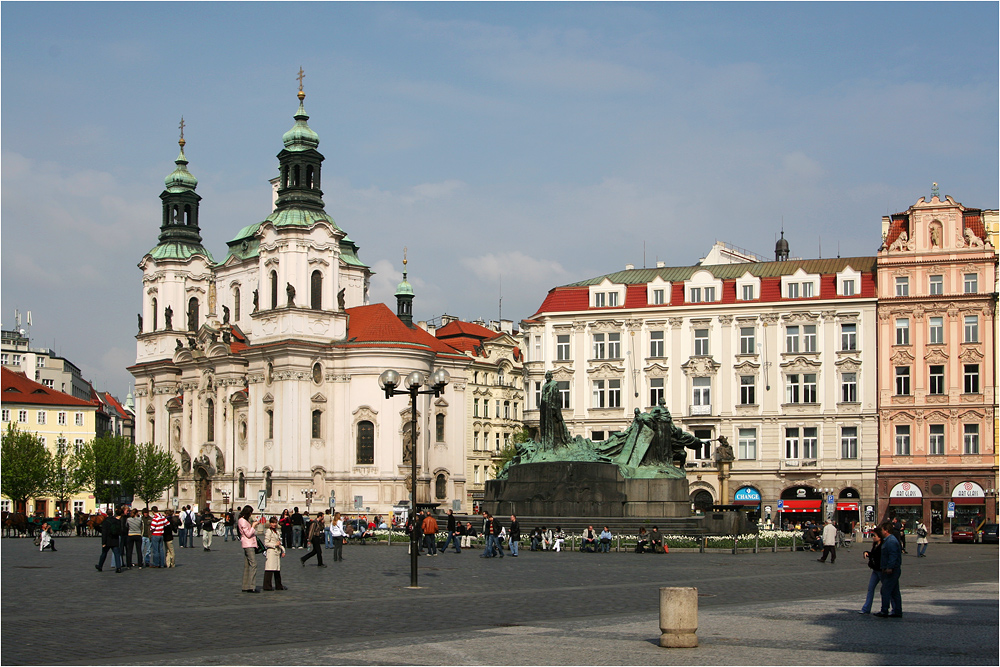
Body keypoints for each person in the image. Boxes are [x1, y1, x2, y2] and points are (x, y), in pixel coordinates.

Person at [874, 521, 902, 618]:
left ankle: (884, 610)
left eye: (882, 530)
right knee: (894, 591)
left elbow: (893, 555)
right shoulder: (889, 540)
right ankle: (897, 611)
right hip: (891, 569)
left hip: (892, 570)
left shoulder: (891, 541)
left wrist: (889, 567)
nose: (881, 532)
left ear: (886, 531)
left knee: (885, 590)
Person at [859, 530, 883, 614]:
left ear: (880, 537)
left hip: (881, 570)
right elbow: (873, 554)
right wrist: (867, 553)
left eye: (874, 536)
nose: (873, 537)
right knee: (870, 588)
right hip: (875, 569)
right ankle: (866, 608)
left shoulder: (883, 545)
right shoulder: (875, 545)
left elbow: (877, 556)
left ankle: (887, 608)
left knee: (886, 589)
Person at [237, 505, 259, 593]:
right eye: (250, 513)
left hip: (248, 544)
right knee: (254, 564)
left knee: (247, 565)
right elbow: (248, 534)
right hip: (248, 544)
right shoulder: (242, 521)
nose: (251, 515)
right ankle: (251, 586)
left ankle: (245, 585)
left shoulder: (243, 520)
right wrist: (253, 526)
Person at [96, 508, 124, 573]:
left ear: (106, 514)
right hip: (115, 539)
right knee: (117, 554)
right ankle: (118, 567)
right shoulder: (117, 521)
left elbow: (104, 533)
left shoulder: (105, 522)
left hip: (108, 540)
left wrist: (103, 542)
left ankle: (100, 566)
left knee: (104, 553)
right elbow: (120, 531)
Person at [263, 517, 287, 591]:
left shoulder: (277, 531)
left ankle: (278, 585)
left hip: (277, 552)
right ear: (270, 523)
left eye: (275, 523)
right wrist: (274, 545)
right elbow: (266, 543)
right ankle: (267, 586)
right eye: (273, 523)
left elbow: (279, 542)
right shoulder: (268, 531)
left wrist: (283, 550)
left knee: (277, 569)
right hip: (271, 552)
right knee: (269, 569)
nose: (274, 524)